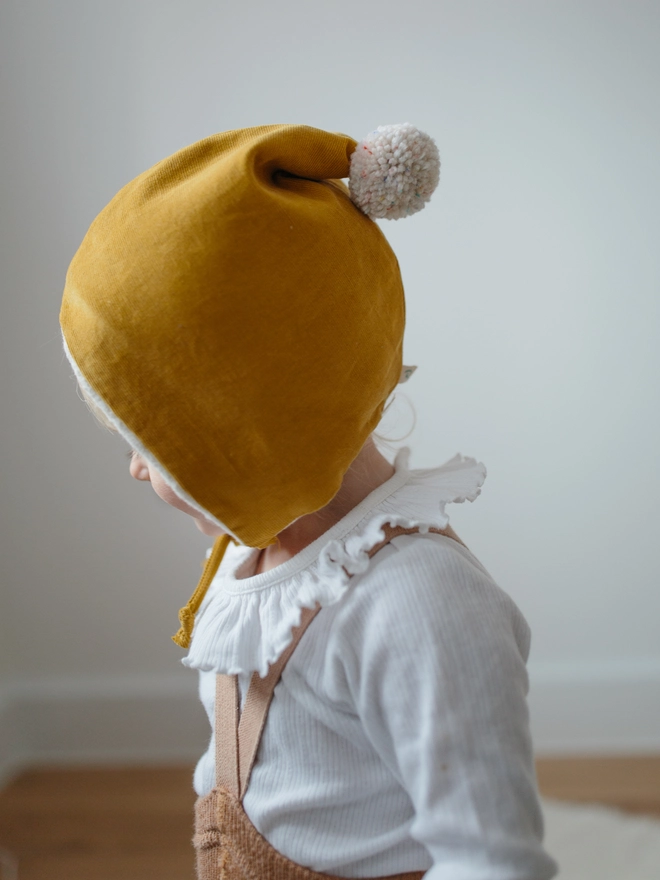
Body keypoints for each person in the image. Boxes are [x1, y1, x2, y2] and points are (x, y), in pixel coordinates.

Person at [61, 123, 558, 880]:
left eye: (153, 445)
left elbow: (491, 861)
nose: (134, 470)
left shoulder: (420, 607)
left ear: (256, 434)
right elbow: (241, 767)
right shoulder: (250, 556)